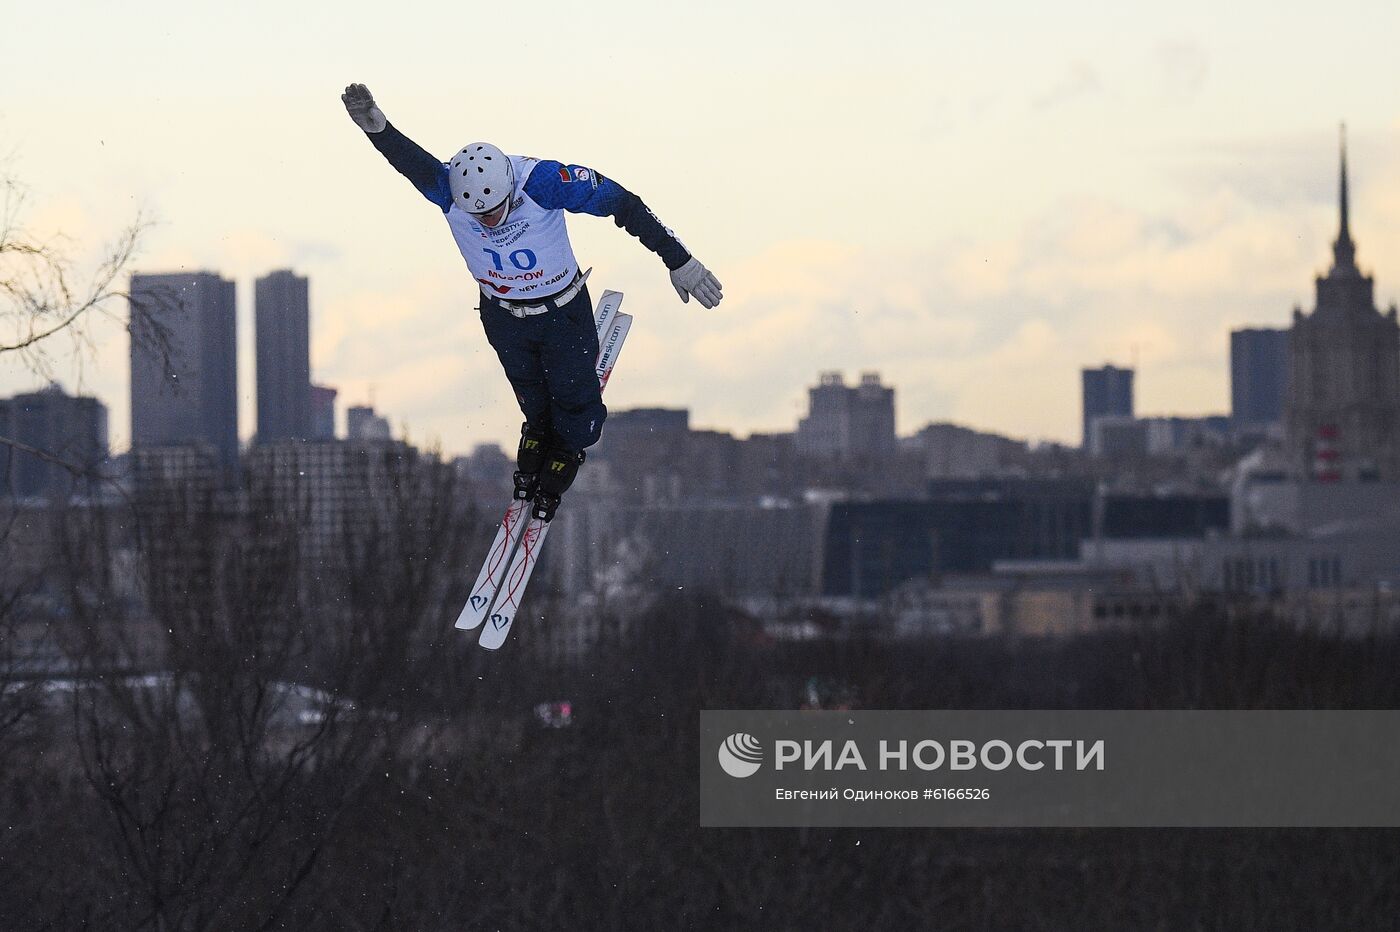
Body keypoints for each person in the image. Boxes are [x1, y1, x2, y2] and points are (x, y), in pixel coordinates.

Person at [341, 83, 722, 520]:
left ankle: (569, 447)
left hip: (561, 312)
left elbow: (624, 204)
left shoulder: (542, 182)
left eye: (495, 211)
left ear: (508, 190)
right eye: (477, 215)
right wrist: (377, 128)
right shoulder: (448, 189)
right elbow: (411, 162)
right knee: (531, 395)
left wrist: (680, 261)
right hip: (503, 315)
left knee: (575, 404)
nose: (487, 221)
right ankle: (539, 430)